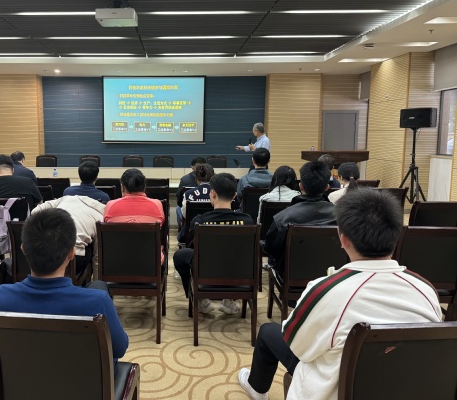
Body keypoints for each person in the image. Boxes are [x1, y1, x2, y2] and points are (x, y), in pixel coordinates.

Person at [237, 189, 442, 400]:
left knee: (269, 332)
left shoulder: (326, 291)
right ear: (397, 235)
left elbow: (298, 347)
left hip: (337, 391)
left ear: (343, 239)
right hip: (405, 388)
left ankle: (257, 389)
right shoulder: (426, 290)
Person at [0, 208, 128, 365]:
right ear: (71, 253)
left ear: (23, 249)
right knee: (98, 285)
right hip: (86, 380)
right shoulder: (97, 301)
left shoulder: (1, 296)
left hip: (27, 378)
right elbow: (119, 348)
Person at [173, 173, 253, 314]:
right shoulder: (247, 221)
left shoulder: (199, 221)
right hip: (237, 277)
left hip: (206, 276)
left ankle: (199, 299)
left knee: (180, 255)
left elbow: (194, 246)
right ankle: (230, 300)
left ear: (213, 193)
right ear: (234, 196)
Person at [262, 161, 336, 274]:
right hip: (332, 275)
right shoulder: (343, 216)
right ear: (327, 187)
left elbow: (270, 248)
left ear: (300, 186)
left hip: (291, 275)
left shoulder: (283, 217)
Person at [31, 194, 105, 276]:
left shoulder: (65, 199)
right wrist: (97, 280)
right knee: (91, 243)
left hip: (47, 252)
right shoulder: (100, 216)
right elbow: (97, 256)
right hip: (75, 259)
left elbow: (34, 211)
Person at [103, 168, 165, 264]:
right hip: (150, 262)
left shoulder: (110, 205)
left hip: (115, 262)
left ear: (122, 187)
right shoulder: (157, 205)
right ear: (144, 186)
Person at [178, 163, 215, 243]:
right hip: (215, 233)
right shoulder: (219, 195)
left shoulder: (188, 194)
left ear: (197, 177)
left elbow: (185, 215)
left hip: (192, 236)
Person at [176, 157, 207, 230]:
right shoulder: (213, 179)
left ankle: (183, 229)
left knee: (178, 208)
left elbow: (179, 200)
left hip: (190, 215)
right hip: (209, 215)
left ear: (192, 167)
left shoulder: (185, 179)